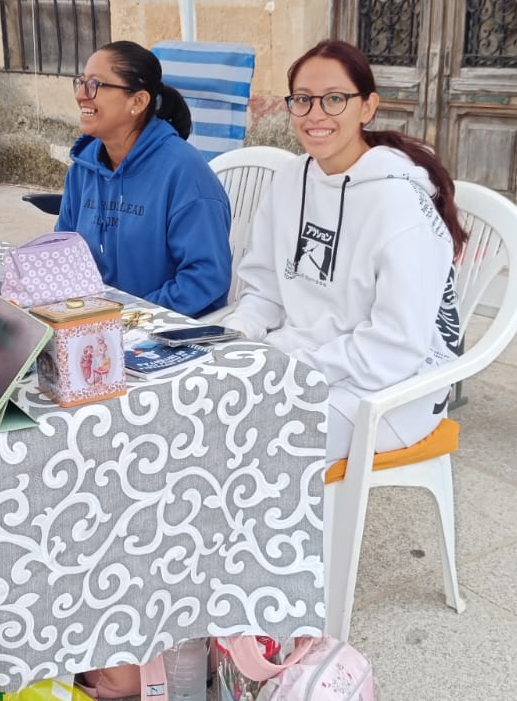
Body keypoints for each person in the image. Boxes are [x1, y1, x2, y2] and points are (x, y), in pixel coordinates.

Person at [224, 39, 467, 463]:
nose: (316, 114)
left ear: (367, 107)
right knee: (199, 411)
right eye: (303, 99)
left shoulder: (399, 202)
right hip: (302, 361)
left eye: (334, 99)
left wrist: (294, 367)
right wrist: (239, 333)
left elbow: (394, 343)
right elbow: (264, 289)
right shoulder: (288, 181)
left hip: (392, 387)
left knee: (245, 441)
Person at [55, 41, 232, 317]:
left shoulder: (184, 172)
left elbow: (206, 276)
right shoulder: (83, 167)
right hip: (94, 324)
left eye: (95, 85)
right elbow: (63, 251)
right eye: (81, 82)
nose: (81, 95)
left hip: (167, 332)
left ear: (137, 101)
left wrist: (131, 315)